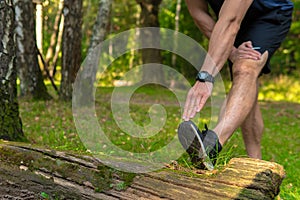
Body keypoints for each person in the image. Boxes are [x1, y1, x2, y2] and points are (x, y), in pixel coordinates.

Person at [177, 0, 293, 170]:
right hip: (227, 20)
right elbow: (199, 14)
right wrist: (232, 51)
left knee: (245, 68)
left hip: (268, 15)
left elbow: (231, 22)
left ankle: (211, 145)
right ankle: (257, 166)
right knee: (244, 84)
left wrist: (205, 78)